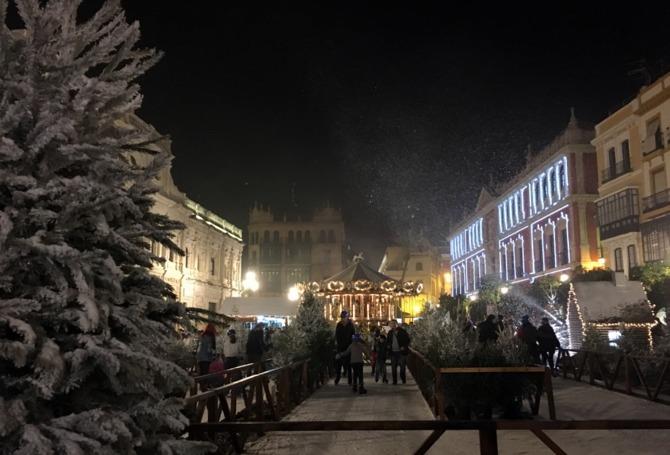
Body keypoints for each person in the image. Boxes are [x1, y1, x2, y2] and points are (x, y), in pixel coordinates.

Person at [387, 320, 410, 385]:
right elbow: (388, 341)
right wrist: (388, 346)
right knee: (393, 368)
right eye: (390, 324)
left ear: (395, 324)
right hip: (393, 352)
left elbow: (408, 340)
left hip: (401, 352)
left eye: (391, 324)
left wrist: (404, 347)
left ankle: (403, 379)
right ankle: (395, 381)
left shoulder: (402, 331)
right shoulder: (390, 332)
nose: (390, 325)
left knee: (402, 367)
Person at [334, 310, 354, 385]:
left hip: (348, 347)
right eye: (342, 317)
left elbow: (353, 334)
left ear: (347, 317)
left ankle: (350, 380)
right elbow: (336, 335)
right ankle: (337, 378)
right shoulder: (339, 325)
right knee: (339, 364)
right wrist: (336, 342)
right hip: (340, 346)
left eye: (344, 317)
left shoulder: (350, 325)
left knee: (349, 365)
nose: (343, 319)